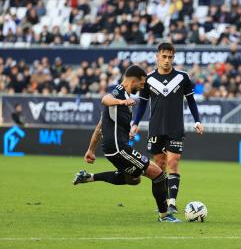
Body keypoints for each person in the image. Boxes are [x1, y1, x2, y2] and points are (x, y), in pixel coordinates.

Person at [72, 64, 180, 222]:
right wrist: (122, 102)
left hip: (113, 148)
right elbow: (105, 99)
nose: (143, 87)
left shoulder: (123, 98)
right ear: (133, 80)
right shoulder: (119, 93)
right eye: (142, 84)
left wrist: (91, 150)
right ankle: (164, 215)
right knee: (158, 175)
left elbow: (99, 127)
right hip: (118, 148)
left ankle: (89, 177)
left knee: (133, 179)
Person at [130, 43, 204, 215]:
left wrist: (197, 121)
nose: (166, 60)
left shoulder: (182, 77)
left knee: (173, 163)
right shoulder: (148, 79)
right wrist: (135, 123)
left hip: (175, 127)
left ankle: (172, 203)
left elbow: (191, 101)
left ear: (173, 57)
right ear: (157, 56)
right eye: (164, 56)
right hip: (155, 128)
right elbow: (142, 105)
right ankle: (162, 203)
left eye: (170, 57)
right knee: (160, 166)